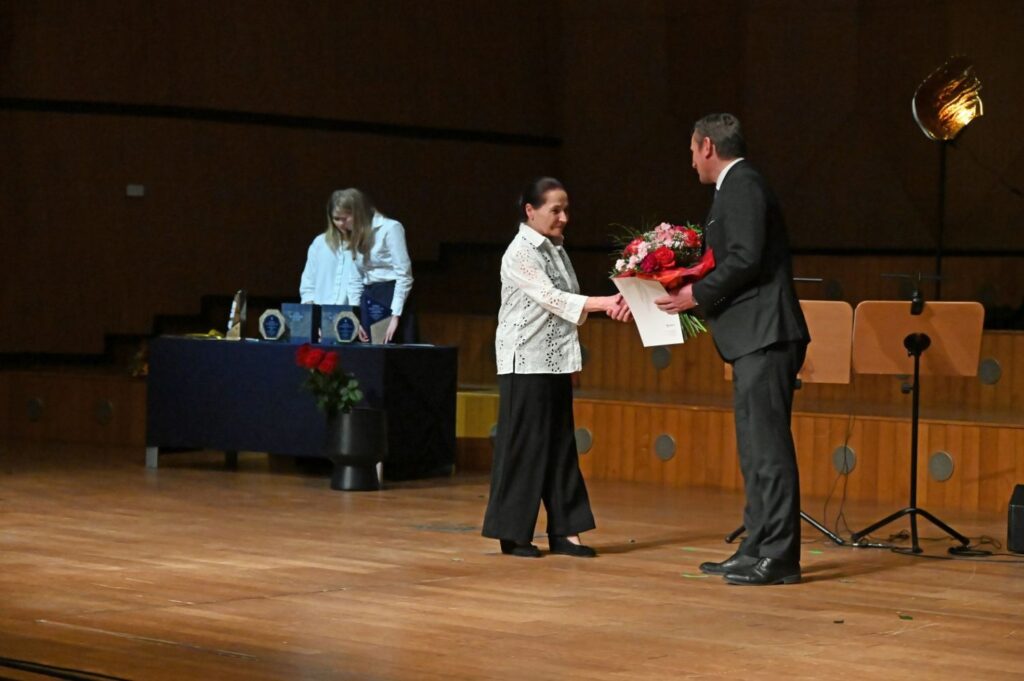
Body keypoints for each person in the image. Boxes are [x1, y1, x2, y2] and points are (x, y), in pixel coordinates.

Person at [655, 114, 810, 585]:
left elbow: (746, 256)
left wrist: (694, 295)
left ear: (706, 146)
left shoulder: (741, 183)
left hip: (765, 333)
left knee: (768, 450)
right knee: (753, 450)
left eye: (690, 151)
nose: (691, 161)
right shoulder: (734, 187)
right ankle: (756, 545)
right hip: (751, 337)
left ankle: (780, 555)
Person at [482, 177, 631, 558]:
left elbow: (566, 305)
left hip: (553, 359)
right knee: (524, 447)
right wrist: (606, 303)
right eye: (555, 210)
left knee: (560, 445)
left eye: (566, 209)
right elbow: (553, 298)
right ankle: (513, 533)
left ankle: (566, 531)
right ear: (530, 211)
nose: (564, 217)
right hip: (524, 360)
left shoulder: (555, 249)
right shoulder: (520, 251)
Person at [344, 189, 416, 344]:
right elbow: (355, 279)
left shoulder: (390, 228)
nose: (342, 224)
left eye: (345, 218)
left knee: (393, 353)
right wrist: (354, 315)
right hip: (369, 298)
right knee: (368, 355)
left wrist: (396, 315)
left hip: (391, 296)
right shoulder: (354, 234)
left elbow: (404, 275)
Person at [299, 189, 371, 307]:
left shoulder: (365, 243)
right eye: (337, 219)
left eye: (345, 218)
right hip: (321, 316)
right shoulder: (320, 243)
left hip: (352, 315)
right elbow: (308, 282)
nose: (341, 224)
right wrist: (310, 312)